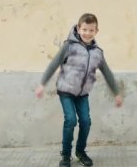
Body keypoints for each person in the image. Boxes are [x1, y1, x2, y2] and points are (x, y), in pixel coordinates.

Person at [35, 13, 123, 167]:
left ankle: (80, 152)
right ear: (78, 28)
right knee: (70, 120)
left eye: (91, 30)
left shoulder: (97, 52)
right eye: (84, 29)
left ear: (96, 31)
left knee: (86, 122)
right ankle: (66, 154)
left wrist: (116, 93)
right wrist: (42, 84)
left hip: (82, 94)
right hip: (66, 91)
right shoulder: (68, 46)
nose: (87, 33)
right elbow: (54, 64)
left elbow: (107, 73)